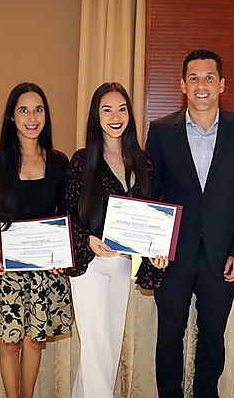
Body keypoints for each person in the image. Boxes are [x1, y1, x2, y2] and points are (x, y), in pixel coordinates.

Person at [145, 49, 234, 397]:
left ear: (222, 84)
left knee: (213, 336)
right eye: (194, 78)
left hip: (223, 256)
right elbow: (152, 195)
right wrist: (156, 247)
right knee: (169, 335)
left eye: (209, 77)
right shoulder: (161, 130)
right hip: (173, 257)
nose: (202, 85)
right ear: (183, 85)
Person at [63, 82, 165, 397]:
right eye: (106, 109)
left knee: (107, 349)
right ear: (96, 115)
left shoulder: (143, 162)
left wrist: (157, 253)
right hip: (90, 264)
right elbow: (67, 212)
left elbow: (152, 214)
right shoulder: (82, 160)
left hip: (122, 264)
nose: (115, 115)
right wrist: (89, 239)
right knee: (97, 349)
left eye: (121, 108)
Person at [0, 83, 73, 398]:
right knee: (11, 341)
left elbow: (65, 215)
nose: (32, 117)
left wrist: (61, 255)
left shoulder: (59, 162)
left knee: (34, 342)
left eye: (38, 109)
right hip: (4, 268)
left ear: (46, 116)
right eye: (24, 109)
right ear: (11, 117)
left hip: (44, 270)